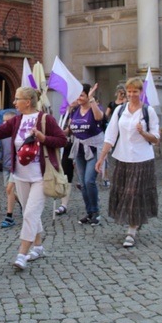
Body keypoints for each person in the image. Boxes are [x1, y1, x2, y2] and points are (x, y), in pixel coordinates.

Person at [0, 87, 67, 271]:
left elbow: (62, 140)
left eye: (17, 99)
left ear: (28, 102)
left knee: (29, 214)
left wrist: (43, 138)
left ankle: (21, 254)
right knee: (30, 211)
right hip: (20, 175)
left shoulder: (45, 119)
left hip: (40, 176)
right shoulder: (16, 121)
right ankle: (38, 246)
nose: (14, 102)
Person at [95, 77, 160, 249]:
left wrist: (143, 132)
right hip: (122, 158)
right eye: (129, 92)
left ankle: (131, 230)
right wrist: (102, 158)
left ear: (141, 93)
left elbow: (156, 139)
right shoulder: (120, 110)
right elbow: (110, 135)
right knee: (124, 193)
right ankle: (134, 222)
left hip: (142, 159)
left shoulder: (148, 111)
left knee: (133, 194)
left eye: (135, 92)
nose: (132, 95)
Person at [66, 83, 105, 225]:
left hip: (94, 149)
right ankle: (89, 212)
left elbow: (99, 117)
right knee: (82, 183)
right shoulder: (75, 110)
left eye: (82, 95)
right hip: (79, 150)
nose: (79, 98)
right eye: (78, 95)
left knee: (89, 180)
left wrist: (92, 100)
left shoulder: (95, 108)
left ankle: (95, 212)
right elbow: (69, 129)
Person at [0, 111, 20, 227]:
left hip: (15, 166)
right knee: (8, 189)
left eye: (8, 121)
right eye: (3, 121)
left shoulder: (17, 135)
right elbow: (2, 151)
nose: (5, 123)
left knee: (9, 189)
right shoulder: (2, 136)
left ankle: (9, 216)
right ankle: (21, 203)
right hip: (5, 167)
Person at [55, 102, 77, 216]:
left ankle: (93, 199)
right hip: (66, 147)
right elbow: (62, 130)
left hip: (79, 147)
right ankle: (63, 204)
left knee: (86, 180)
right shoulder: (65, 113)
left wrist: (69, 128)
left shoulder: (79, 112)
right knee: (66, 175)